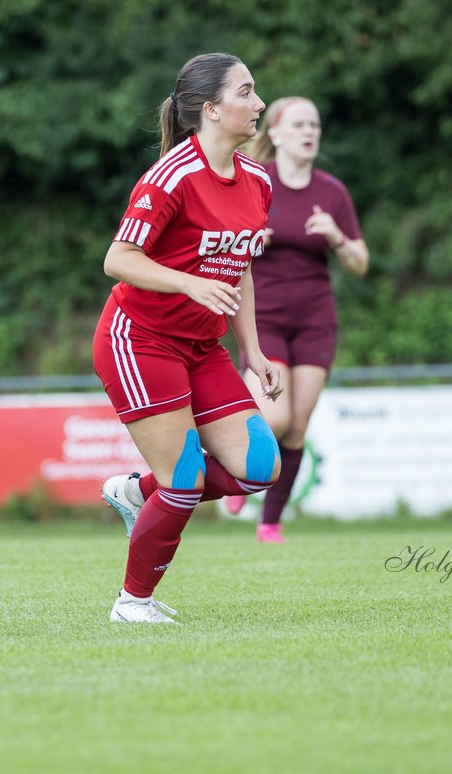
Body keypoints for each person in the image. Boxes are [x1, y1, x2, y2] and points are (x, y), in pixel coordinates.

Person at [93, 52, 283, 623]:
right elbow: (117, 259)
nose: (259, 104)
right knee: (184, 481)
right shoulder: (169, 177)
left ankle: (135, 492)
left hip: (202, 346)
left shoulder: (255, 179)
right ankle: (133, 604)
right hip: (140, 339)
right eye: (246, 93)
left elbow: (241, 264)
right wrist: (189, 284)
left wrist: (252, 348)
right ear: (210, 108)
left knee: (258, 466)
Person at [231, 96, 369, 542]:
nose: (310, 132)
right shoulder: (254, 180)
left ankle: (269, 521)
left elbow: (360, 262)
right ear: (274, 133)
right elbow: (221, 244)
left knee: (296, 426)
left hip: (315, 321)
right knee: (273, 418)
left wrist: (337, 238)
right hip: (263, 316)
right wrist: (251, 240)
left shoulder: (332, 191)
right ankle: (233, 471)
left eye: (315, 125)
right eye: (299, 125)